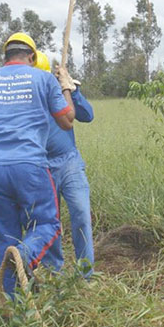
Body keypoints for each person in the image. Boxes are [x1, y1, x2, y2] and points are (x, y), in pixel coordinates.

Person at [0, 32, 76, 297]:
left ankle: (12, 304)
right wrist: (66, 86)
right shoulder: (42, 79)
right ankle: (24, 257)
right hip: (30, 165)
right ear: (31, 57)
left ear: (4, 56)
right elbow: (67, 121)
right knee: (48, 224)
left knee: (3, 235)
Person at [34, 51, 96, 278]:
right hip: (41, 166)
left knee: (81, 213)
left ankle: (86, 274)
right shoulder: (28, 100)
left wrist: (71, 88)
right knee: (49, 222)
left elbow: (88, 116)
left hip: (69, 162)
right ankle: (54, 275)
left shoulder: (59, 93)